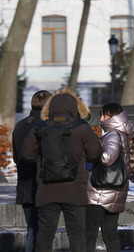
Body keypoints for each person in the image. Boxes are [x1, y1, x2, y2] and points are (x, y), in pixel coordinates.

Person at [23, 88, 102, 252]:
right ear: (75, 108)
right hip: (75, 190)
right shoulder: (81, 127)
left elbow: (27, 155)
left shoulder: (39, 127)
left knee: (45, 235)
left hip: (46, 189)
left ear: (50, 108)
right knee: (77, 234)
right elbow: (95, 153)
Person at [85, 102, 134, 252]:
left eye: (105, 115)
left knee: (89, 233)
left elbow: (107, 158)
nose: (101, 119)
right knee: (110, 233)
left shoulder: (112, 134)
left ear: (113, 117)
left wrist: (93, 147)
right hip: (115, 189)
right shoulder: (122, 133)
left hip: (100, 191)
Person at [12, 90, 51, 252]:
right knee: (40, 233)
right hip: (44, 185)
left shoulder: (20, 125)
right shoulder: (48, 127)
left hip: (25, 186)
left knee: (32, 230)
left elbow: (16, 157)